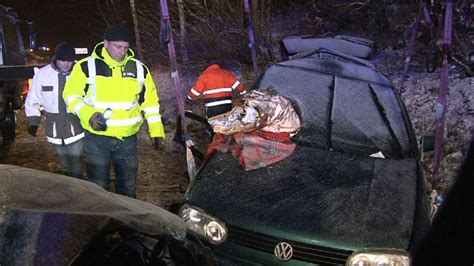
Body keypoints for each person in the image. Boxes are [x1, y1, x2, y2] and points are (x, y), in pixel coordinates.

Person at [63, 23, 165, 198]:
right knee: (99, 187)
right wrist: (89, 115)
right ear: (106, 43)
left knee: (128, 186)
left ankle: (125, 223)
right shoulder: (86, 67)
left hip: (127, 140)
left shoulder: (139, 69)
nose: (122, 52)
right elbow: (71, 96)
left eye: (126, 47)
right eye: (118, 47)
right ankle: (103, 221)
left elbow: (150, 102)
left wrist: (156, 130)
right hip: (97, 138)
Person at [25, 42, 85, 179]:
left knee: (76, 162)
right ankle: (68, 186)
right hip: (54, 130)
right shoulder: (42, 75)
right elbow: (33, 99)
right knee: (64, 163)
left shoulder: (80, 74)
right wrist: (33, 122)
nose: (66, 64)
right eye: (62, 60)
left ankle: (78, 190)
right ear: (56, 58)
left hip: (76, 128)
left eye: (69, 61)